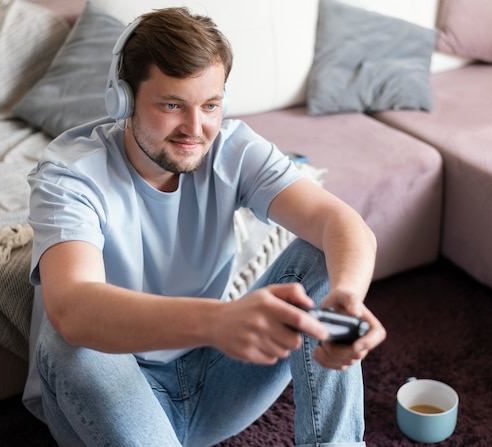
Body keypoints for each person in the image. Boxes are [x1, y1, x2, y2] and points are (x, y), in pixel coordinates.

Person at [22, 6, 386, 447]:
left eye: (210, 105)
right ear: (124, 99)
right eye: (172, 105)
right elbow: (73, 309)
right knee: (68, 343)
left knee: (324, 258)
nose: (195, 130)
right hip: (111, 389)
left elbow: (344, 224)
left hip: (214, 381)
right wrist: (219, 321)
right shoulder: (71, 175)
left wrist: (345, 301)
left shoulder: (233, 149)